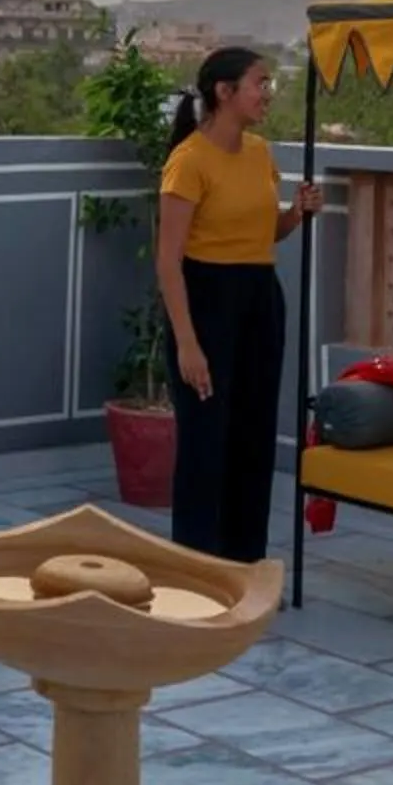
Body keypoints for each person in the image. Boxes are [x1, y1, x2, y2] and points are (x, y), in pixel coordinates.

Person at [156, 47, 323, 561]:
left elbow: (261, 233)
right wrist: (188, 343)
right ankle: (196, 566)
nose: (268, 93)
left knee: (253, 433)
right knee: (208, 440)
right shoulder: (188, 161)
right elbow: (168, 261)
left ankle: (244, 560)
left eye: (269, 83)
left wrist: (295, 214)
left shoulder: (260, 153)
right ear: (224, 93)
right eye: (259, 83)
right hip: (206, 301)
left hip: (258, 298)